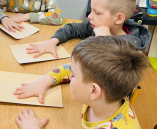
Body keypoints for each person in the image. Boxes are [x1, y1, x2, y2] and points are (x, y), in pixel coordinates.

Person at [14, 36, 149, 128]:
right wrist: (44, 82)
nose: (70, 76)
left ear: (93, 91)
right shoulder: (110, 93)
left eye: (74, 75)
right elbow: (68, 68)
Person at [26, 0, 151, 58]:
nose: (90, 16)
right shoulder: (97, 26)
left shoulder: (130, 47)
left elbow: (105, 64)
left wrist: (105, 39)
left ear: (118, 18)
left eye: (97, 13)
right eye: (91, 11)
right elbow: (73, 28)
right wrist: (53, 41)